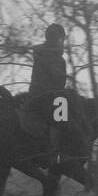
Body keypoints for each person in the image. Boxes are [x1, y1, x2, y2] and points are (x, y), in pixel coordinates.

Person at [19, 24, 77, 159]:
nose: (63, 42)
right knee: (63, 117)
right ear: (57, 39)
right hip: (45, 96)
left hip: (41, 94)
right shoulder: (52, 57)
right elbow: (56, 80)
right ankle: (56, 155)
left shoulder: (46, 54)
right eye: (62, 39)